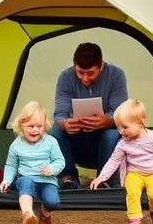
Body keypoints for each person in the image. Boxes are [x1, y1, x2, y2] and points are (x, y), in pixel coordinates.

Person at [90, 99, 153, 224]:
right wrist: (102, 176)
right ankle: (134, 220)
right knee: (132, 193)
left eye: (124, 127)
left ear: (140, 123)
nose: (121, 131)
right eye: (118, 127)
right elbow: (114, 160)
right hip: (134, 173)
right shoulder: (123, 143)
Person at [50, 42, 128, 189]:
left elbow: (120, 113)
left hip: (105, 143)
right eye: (80, 72)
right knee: (55, 130)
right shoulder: (65, 77)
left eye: (90, 73)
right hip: (77, 141)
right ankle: (68, 178)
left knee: (112, 133)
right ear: (75, 65)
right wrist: (65, 124)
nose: (85, 78)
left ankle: (103, 180)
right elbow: (60, 114)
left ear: (101, 65)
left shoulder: (117, 75)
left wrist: (106, 121)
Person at [0, 101, 65, 224]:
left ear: (44, 126)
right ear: (21, 125)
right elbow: (11, 165)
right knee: (26, 184)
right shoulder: (16, 145)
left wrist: (52, 169)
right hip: (26, 177)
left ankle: (45, 213)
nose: (35, 130)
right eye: (30, 126)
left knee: (53, 202)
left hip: (47, 180)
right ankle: (28, 215)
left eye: (39, 126)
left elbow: (60, 161)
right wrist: (6, 180)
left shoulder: (51, 142)